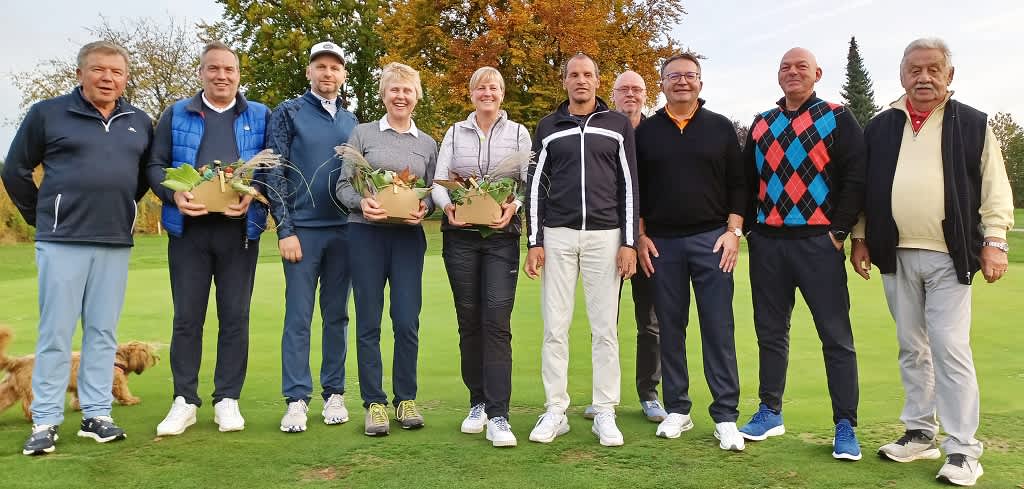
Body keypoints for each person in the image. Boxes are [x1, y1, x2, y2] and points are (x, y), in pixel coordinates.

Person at [852, 38, 1014, 486]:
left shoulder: (974, 124)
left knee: (950, 348)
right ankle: (921, 432)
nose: (923, 77)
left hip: (950, 255)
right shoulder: (880, 126)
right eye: (914, 69)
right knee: (911, 346)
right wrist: (861, 237)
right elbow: (867, 190)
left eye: (933, 69)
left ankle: (963, 450)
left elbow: (995, 190)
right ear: (902, 74)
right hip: (894, 252)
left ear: (949, 76)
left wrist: (995, 242)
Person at [3, 41, 153, 455]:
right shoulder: (47, 114)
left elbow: (141, 178)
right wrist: (41, 215)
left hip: (114, 241)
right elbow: (14, 169)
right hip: (61, 241)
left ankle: (96, 414)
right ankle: (46, 420)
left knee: (103, 334)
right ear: (80, 74)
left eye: (116, 72)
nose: (108, 78)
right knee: (55, 334)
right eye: (98, 70)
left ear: (125, 78)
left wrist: (118, 205)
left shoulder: (138, 121)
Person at [739, 47, 865, 460]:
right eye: (785, 68)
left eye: (801, 67)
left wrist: (839, 231)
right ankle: (769, 411)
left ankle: (845, 424)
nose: (793, 73)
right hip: (769, 245)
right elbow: (745, 182)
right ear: (778, 76)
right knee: (771, 333)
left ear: (817, 74)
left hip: (818, 244)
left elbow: (855, 178)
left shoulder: (838, 116)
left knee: (835, 336)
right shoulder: (762, 123)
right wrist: (752, 231)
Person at [147, 41, 270, 436]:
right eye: (213, 68)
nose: (221, 75)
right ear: (201, 72)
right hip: (189, 233)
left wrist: (252, 202)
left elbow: (269, 172)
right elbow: (154, 164)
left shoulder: (259, 115)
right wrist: (173, 194)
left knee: (235, 317)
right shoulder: (176, 113)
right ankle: (184, 400)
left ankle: (227, 399)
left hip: (238, 234)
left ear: (238, 74)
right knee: (187, 318)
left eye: (229, 69)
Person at [524, 53, 639, 447]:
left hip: (605, 238)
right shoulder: (548, 126)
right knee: (555, 328)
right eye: (574, 75)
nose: (581, 80)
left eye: (588, 74)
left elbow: (629, 186)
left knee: (605, 329)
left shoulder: (618, 125)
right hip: (557, 236)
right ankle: (555, 410)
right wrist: (534, 241)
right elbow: (535, 186)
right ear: (565, 82)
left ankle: (604, 411)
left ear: (597, 80)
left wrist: (628, 242)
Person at [635, 53, 746, 451]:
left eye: (690, 76)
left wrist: (734, 231)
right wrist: (641, 235)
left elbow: (739, 184)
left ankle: (726, 416)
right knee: (670, 326)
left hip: (712, 240)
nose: (682, 82)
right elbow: (637, 191)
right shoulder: (646, 132)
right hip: (662, 243)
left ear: (700, 82)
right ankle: (678, 409)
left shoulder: (720, 128)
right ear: (662, 83)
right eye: (674, 76)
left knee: (718, 328)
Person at [335, 62, 438, 437]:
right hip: (365, 235)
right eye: (394, 89)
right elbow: (343, 186)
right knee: (369, 321)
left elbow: (434, 194)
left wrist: (426, 209)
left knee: (407, 320)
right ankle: (375, 403)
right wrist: (360, 204)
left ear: (416, 96)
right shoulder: (361, 134)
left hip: (408, 239)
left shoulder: (427, 143)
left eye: (407, 90)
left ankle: (405, 399)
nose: (400, 96)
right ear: (384, 94)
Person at [432, 66, 531, 447]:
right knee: (469, 321)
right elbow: (441, 180)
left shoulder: (519, 132)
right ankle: (477, 404)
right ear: (471, 94)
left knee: (496, 321)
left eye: (494, 87)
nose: (487, 93)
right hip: (461, 237)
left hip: (501, 237)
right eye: (480, 88)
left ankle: (500, 414)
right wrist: (448, 209)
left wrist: (514, 207)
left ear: (502, 94)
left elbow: (527, 179)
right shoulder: (455, 132)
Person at [266, 41, 358, 433]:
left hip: (344, 232)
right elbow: (273, 169)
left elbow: (358, 179)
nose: (327, 74)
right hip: (302, 232)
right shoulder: (288, 112)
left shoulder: (352, 122)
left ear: (342, 75)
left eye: (334, 68)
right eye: (320, 66)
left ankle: (334, 392)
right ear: (309, 72)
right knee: (299, 317)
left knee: (336, 316)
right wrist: (284, 229)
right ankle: (297, 399)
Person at [581, 70, 668, 424]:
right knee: (605, 323)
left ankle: (649, 393)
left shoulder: (655, 133)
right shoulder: (601, 129)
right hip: (604, 238)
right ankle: (604, 398)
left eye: (637, 89)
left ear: (646, 94)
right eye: (624, 89)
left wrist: (639, 235)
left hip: (648, 241)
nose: (630, 94)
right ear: (612, 94)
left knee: (650, 322)